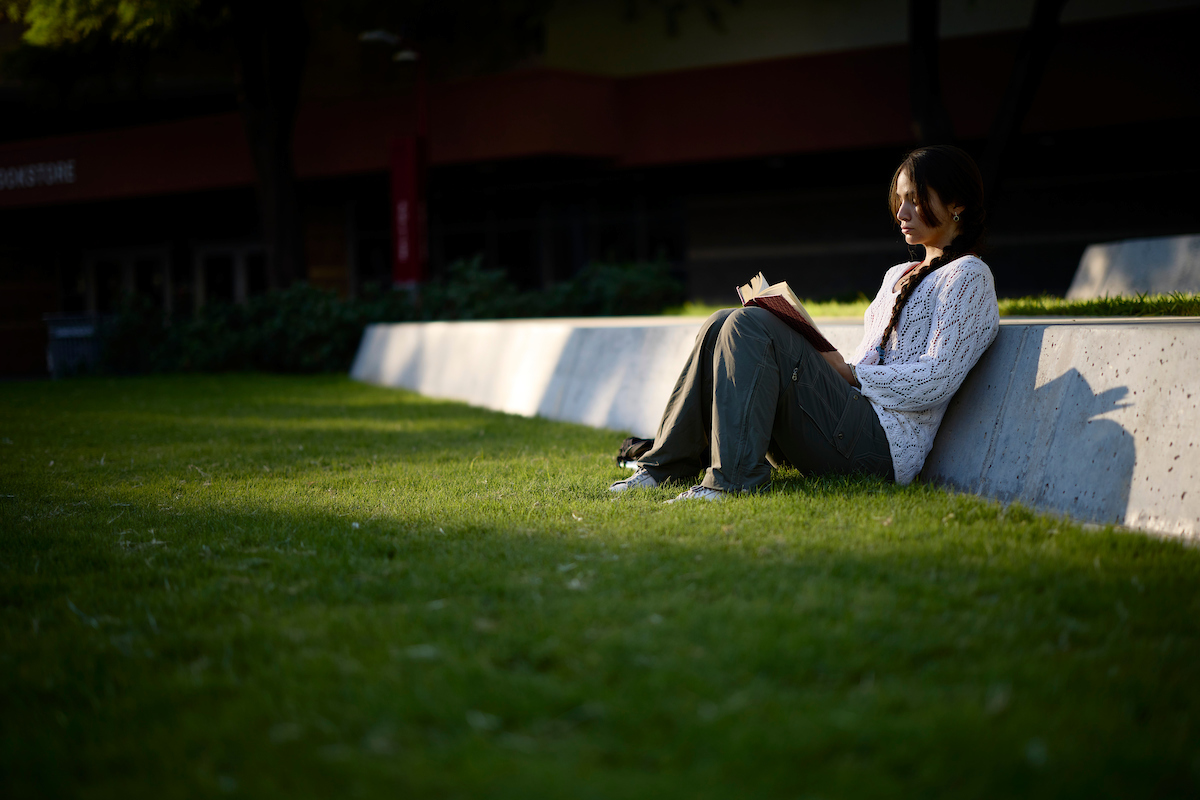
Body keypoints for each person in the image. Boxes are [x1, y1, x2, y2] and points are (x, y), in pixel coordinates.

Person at [611, 145, 1000, 502]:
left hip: (880, 447)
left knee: (751, 325)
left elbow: (937, 379)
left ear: (957, 204)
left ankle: (732, 481)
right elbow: (870, 364)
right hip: (848, 421)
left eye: (915, 200)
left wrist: (849, 375)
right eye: (900, 200)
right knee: (721, 323)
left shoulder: (969, 276)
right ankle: (665, 468)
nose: (901, 213)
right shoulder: (898, 273)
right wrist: (828, 359)